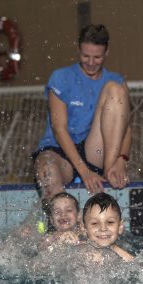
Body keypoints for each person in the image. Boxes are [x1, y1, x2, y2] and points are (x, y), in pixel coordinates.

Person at [33, 24, 132, 203]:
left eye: (97, 57)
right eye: (86, 56)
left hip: (95, 150)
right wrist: (84, 172)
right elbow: (59, 129)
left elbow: (125, 128)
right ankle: (59, 218)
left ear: (106, 53)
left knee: (115, 89)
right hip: (60, 150)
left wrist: (121, 160)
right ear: (78, 50)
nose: (91, 62)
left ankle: (109, 171)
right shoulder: (61, 77)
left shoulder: (116, 80)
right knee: (47, 170)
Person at [80, 192, 133, 261]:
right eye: (95, 223)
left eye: (110, 222)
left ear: (120, 227)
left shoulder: (127, 259)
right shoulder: (77, 253)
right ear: (84, 228)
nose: (103, 228)